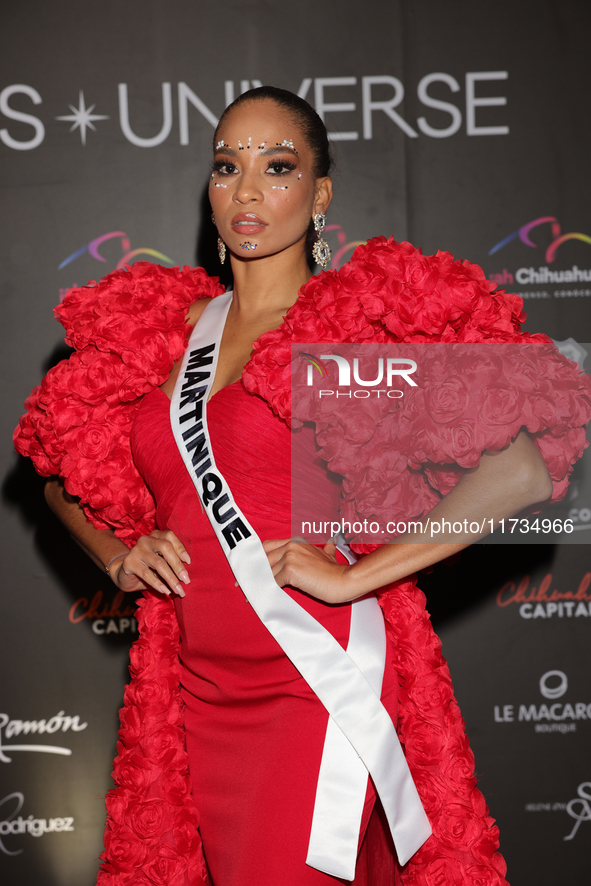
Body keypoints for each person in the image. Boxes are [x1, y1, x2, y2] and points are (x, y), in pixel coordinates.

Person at [14, 86, 591, 886]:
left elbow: (520, 471)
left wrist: (357, 574)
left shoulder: (345, 330)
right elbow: (54, 475)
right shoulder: (159, 335)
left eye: (276, 167)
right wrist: (115, 554)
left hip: (314, 684)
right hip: (191, 694)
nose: (246, 190)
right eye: (226, 166)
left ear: (319, 194)